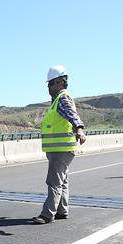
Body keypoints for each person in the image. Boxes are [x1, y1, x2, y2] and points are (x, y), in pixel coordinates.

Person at [32, 65, 86, 225]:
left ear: (60, 82)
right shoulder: (57, 100)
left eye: (50, 84)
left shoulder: (63, 98)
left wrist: (80, 129)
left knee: (54, 181)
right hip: (61, 148)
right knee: (62, 180)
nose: (48, 87)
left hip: (61, 149)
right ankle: (62, 210)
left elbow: (72, 115)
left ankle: (47, 214)